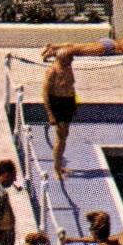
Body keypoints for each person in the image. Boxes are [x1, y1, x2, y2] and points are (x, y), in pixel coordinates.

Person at [42, 23, 123, 61]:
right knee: (77, 51)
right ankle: (52, 53)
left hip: (108, 43)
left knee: (77, 47)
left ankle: (52, 46)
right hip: (109, 47)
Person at [42, 51, 77, 179]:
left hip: (67, 103)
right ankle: (56, 170)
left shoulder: (68, 68)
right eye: (70, 58)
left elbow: (71, 87)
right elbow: (45, 94)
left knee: (64, 136)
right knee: (60, 138)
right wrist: (50, 114)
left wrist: (74, 104)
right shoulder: (52, 71)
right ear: (63, 58)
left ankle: (59, 165)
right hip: (57, 103)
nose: (72, 61)